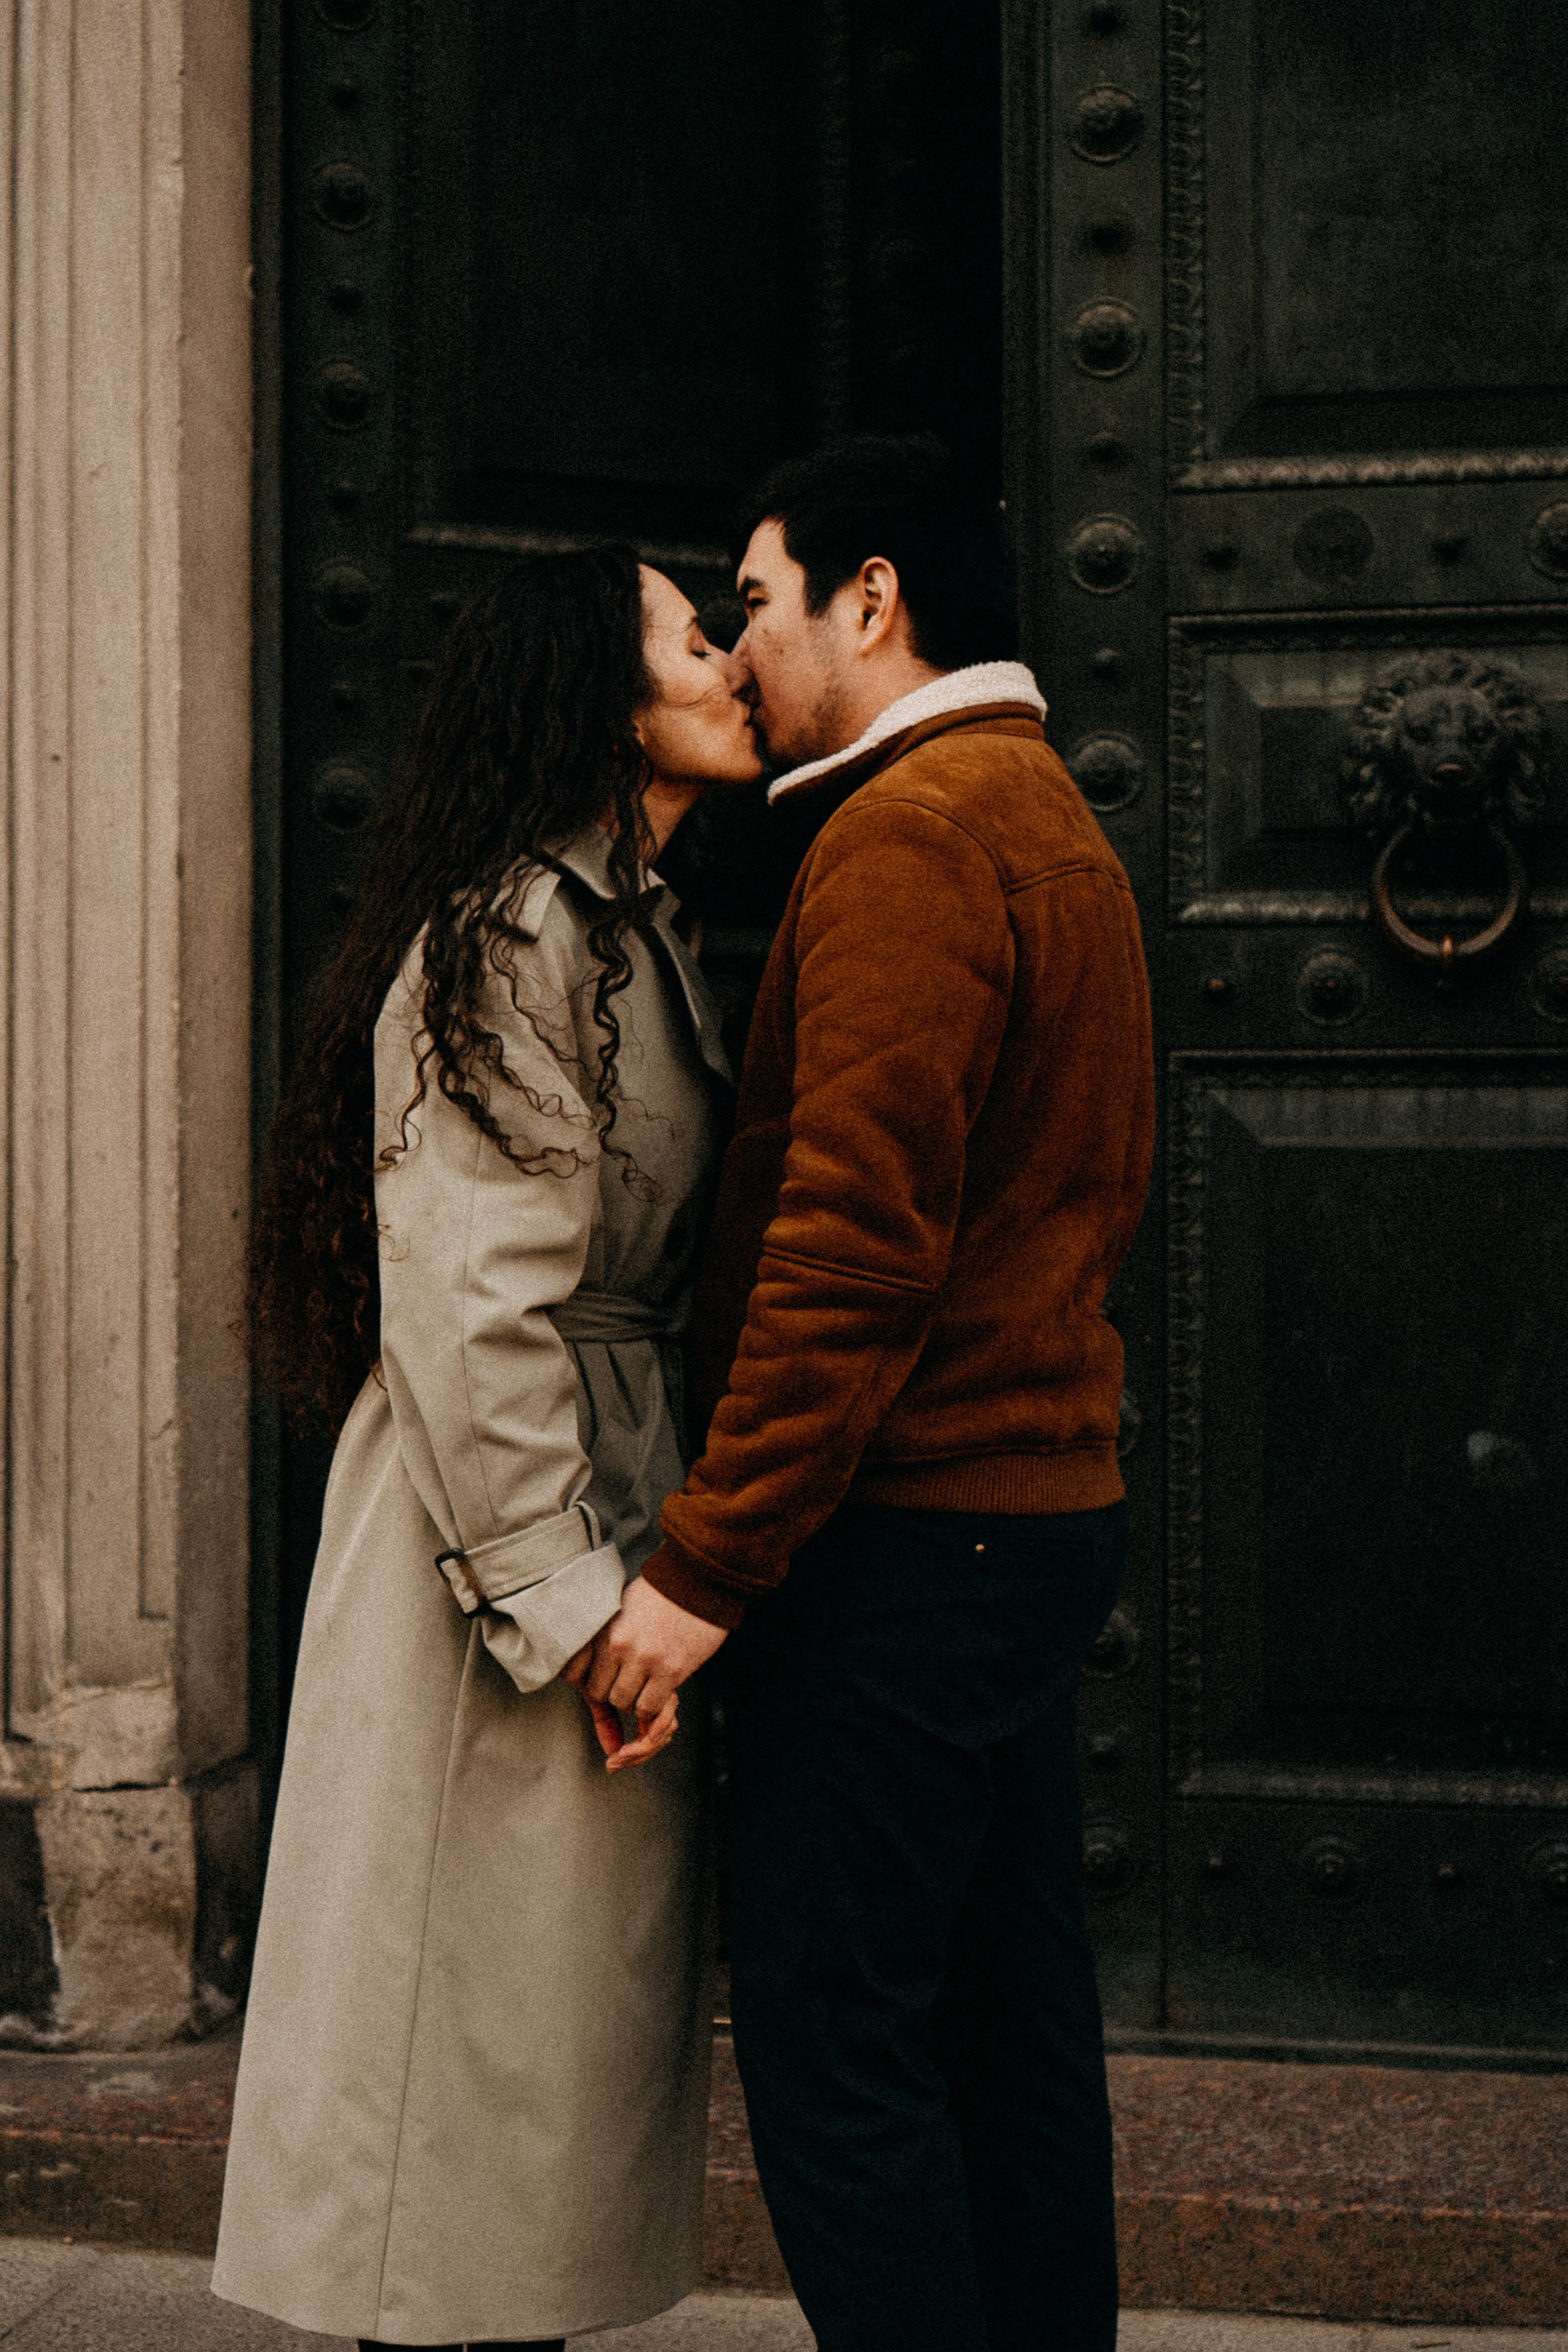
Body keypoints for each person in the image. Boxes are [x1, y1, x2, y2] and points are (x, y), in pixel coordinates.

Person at [574, 435, 1156, 2351]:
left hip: (908, 1543)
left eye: (753, 602)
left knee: (838, 2049)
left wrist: (704, 1565)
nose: (739, 652)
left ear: (872, 600)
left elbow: (855, 1241)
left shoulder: (913, 832)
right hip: (1028, 1518)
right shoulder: (1044, 808)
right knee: (1006, 2033)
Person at [211, 547, 762, 2350]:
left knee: (522, 2080)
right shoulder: (523, 931)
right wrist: (571, 1593)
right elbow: (464, 1296)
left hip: (591, 1476)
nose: (736, 658)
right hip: (498, 1532)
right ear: (611, 697)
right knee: (457, 2076)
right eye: (700, 636)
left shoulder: (625, 921)